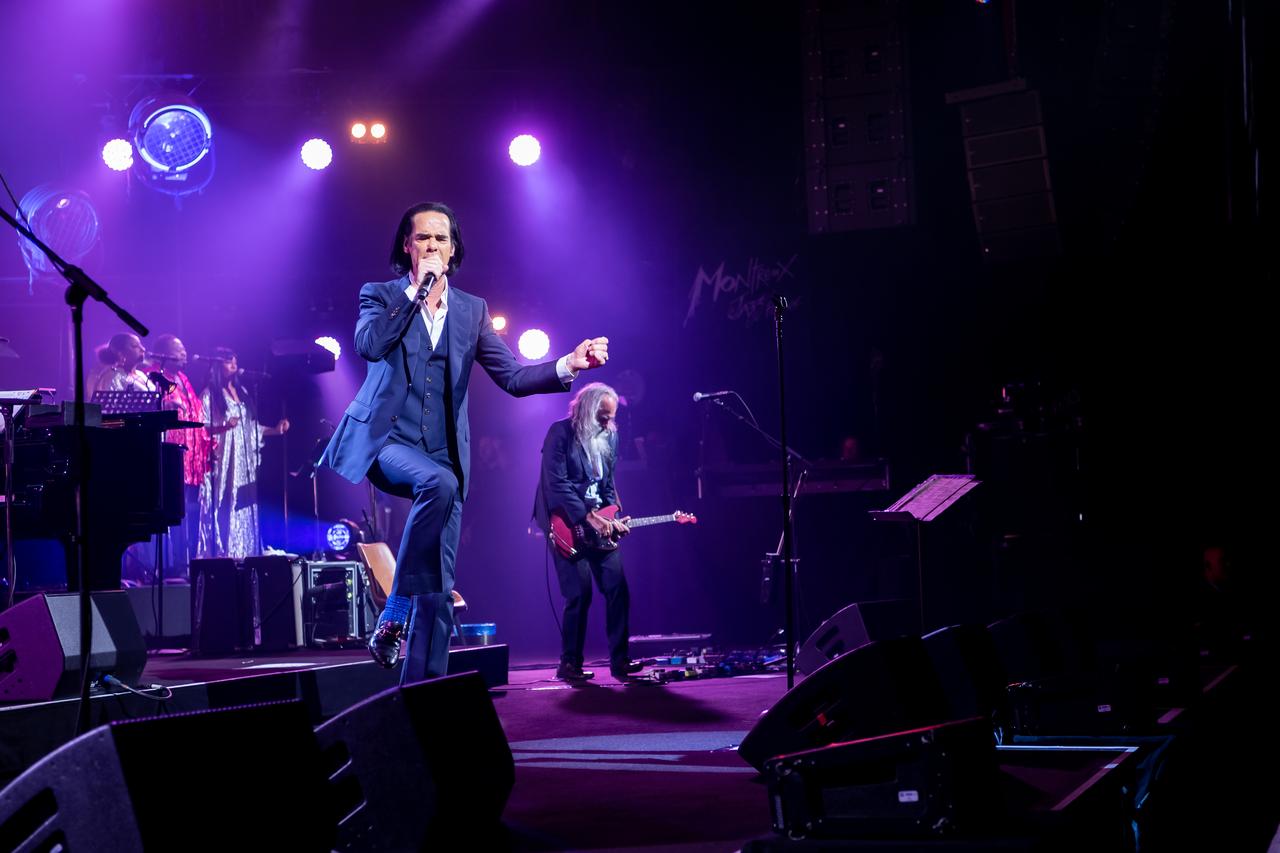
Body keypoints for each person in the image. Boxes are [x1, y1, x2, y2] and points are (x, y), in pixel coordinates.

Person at [320, 201, 610, 681]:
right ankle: (393, 610)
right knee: (438, 484)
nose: (432, 246)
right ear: (407, 247)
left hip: (445, 455)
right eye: (423, 238)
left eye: (441, 239)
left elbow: (513, 376)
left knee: (439, 582)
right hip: (386, 441)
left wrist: (568, 364)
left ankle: (423, 689)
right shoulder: (380, 295)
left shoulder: (471, 311)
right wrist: (414, 295)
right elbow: (369, 345)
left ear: (453, 250)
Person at [533, 382, 641, 682]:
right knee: (579, 593)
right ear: (584, 410)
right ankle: (569, 663)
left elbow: (607, 483)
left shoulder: (611, 436)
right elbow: (556, 484)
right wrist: (588, 517)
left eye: (611, 416)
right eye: (602, 416)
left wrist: (613, 515)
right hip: (566, 522)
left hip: (599, 524)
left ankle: (620, 661)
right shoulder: (560, 433)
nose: (607, 423)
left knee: (617, 588)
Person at [198, 347, 289, 559]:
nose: (234, 365)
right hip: (225, 458)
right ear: (217, 365)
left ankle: (246, 551)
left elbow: (251, 428)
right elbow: (201, 427)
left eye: (235, 360)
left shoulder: (244, 393)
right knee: (226, 501)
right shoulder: (210, 394)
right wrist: (223, 427)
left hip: (243, 461)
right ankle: (224, 553)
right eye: (228, 361)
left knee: (245, 503)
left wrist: (275, 430)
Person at [147, 334, 212, 576]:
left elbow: (195, 414)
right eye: (179, 350)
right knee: (169, 510)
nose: (184, 353)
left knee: (186, 512)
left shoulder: (183, 379)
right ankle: (168, 566)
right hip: (167, 456)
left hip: (189, 459)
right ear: (164, 353)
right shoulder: (154, 376)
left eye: (185, 349)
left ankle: (184, 561)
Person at [91, 333, 157, 394]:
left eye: (141, 345)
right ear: (121, 353)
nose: (143, 349)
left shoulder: (141, 374)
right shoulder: (113, 376)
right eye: (135, 346)